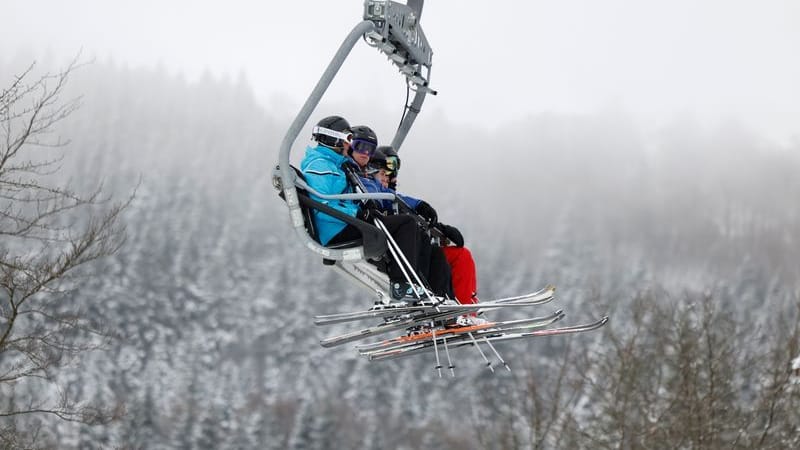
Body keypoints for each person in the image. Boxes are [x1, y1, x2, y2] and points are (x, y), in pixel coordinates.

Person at [299, 116, 440, 301]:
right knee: (405, 224)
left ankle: (419, 288)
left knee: (408, 228)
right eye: (348, 139)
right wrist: (357, 213)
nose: (349, 145)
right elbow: (323, 205)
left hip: (343, 224)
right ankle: (401, 286)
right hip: (335, 228)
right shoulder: (320, 165)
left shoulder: (333, 164)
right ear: (333, 138)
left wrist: (418, 204)